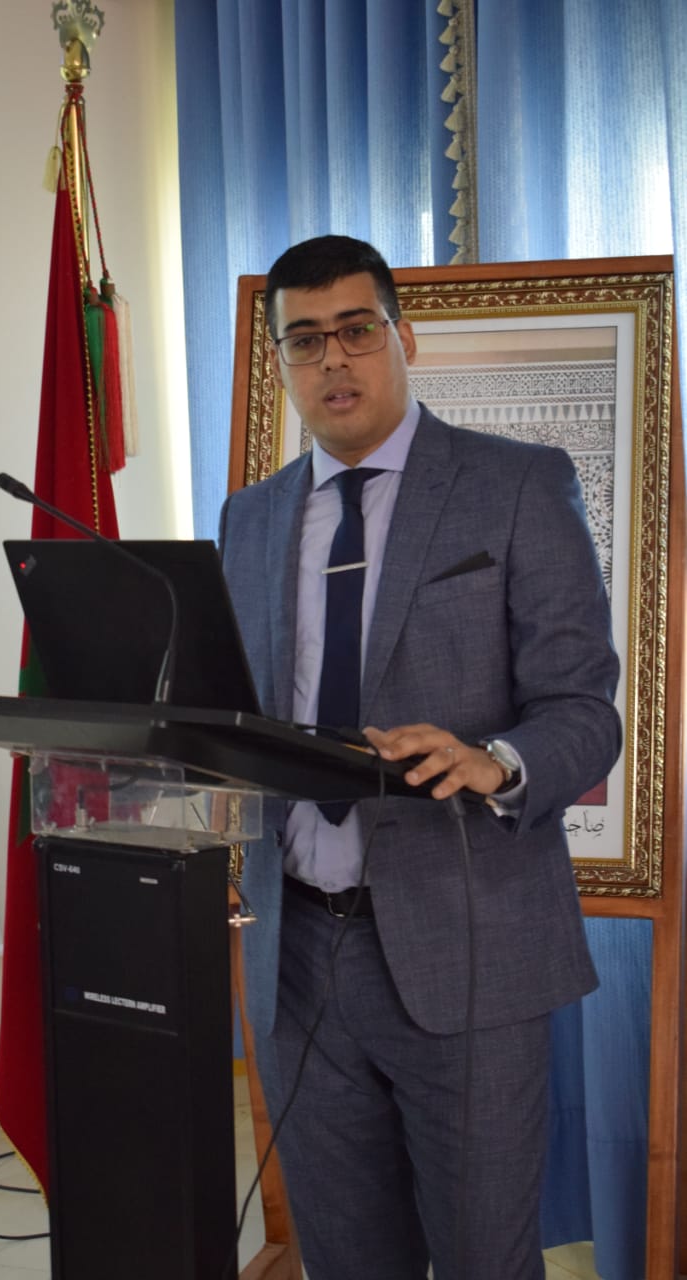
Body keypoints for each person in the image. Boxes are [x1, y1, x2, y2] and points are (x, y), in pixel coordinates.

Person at [218, 235, 621, 1280]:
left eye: (356, 330)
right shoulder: (250, 519)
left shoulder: (516, 485)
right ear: (281, 360)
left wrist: (495, 759)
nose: (333, 359)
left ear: (404, 337)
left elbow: (585, 710)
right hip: (296, 955)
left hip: (469, 942)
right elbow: (239, 716)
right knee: (346, 1259)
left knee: (485, 1258)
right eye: (305, 340)